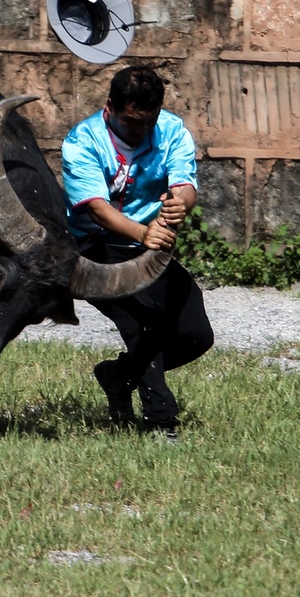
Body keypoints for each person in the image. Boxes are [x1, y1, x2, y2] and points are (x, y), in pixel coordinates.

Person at [61, 65, 214, 440]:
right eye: (132, 123)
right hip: (93, 249)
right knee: (145, 322)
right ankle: (161, 422)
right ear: (110, 106)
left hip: (149, 248)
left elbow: (185, 185)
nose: (141, 131)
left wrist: (181, 204)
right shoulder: (81, 141)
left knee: (196, 334)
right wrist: (143, 232)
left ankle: (119, 375)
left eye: (149, 123)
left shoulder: (172, 131)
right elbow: (96, 208)